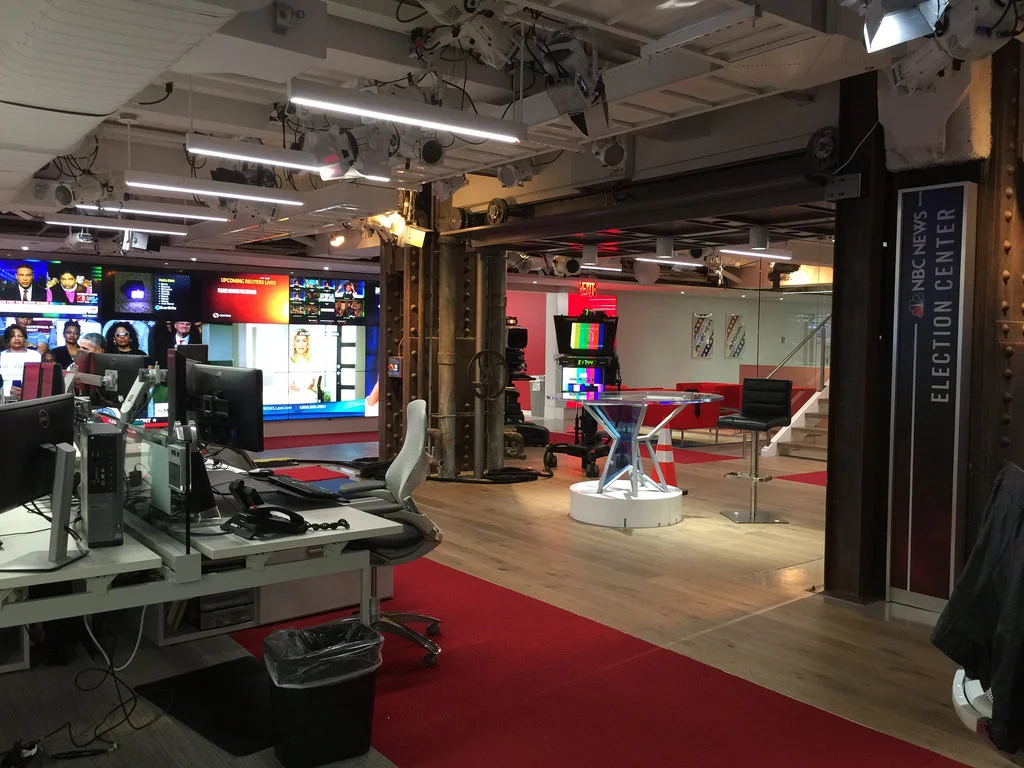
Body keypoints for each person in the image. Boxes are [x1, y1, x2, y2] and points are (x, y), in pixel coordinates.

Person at [0, 325, 41, 399]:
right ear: (7, 339)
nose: (17, 338)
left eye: (20, 336)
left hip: (31, 395)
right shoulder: (1, 356)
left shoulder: (35, 355)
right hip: (3, 396)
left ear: (25, 338)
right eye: (12, 336)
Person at [288, 329, 319, 403]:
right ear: (294, 344)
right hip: (292, 401)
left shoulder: (314, 361)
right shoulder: (288, 361)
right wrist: (289, 387)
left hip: (310, 400)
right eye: (298, 341)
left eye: (304, 341)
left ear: (308, 344)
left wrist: (313, 387)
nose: (301, 344)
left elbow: (320, 387)